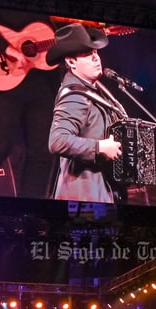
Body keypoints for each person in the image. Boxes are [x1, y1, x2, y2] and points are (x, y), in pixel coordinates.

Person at [0, 6, 60, 199]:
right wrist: (8, 49)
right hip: (2, 76)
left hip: (41, 81)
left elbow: (55, 39)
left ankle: (27, 213)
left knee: (42, 153)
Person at [46, 22, 129, 203]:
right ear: (71, 61)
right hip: (84, 196)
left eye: (95, 52)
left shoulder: (94, 90)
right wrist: (99, 148)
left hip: (98, 192)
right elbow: (57, 141)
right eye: (87, 54)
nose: (96, 58)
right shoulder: (74, 96)